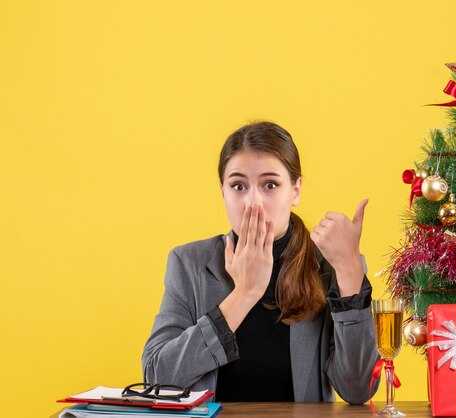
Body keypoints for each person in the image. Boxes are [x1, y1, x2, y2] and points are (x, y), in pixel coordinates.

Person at [142, 121, 379, 404]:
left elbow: (358, 389)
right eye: (238, 185)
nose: (253, 202)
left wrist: (351, 271)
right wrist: (244, 293)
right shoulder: (189, 263)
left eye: (270, 185)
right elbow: (157, 377)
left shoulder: (331, 266)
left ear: (295, 190)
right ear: (223, 192)